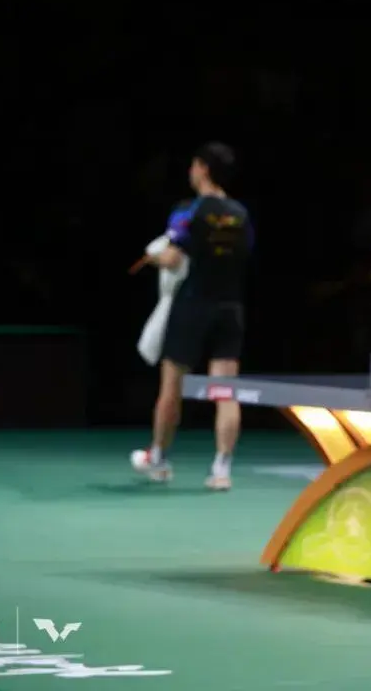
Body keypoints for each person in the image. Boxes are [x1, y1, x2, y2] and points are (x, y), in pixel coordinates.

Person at [133, 142, 254, 491]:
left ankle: (158, 459)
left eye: (193, 165)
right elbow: (245, 252)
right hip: (230, 307)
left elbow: (172, 257)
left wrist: (155, 258)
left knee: (171, 387)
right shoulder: (241, 214)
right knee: (226, 390)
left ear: (202, 168)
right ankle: (222, 469)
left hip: (193, 304)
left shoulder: (189, 210)